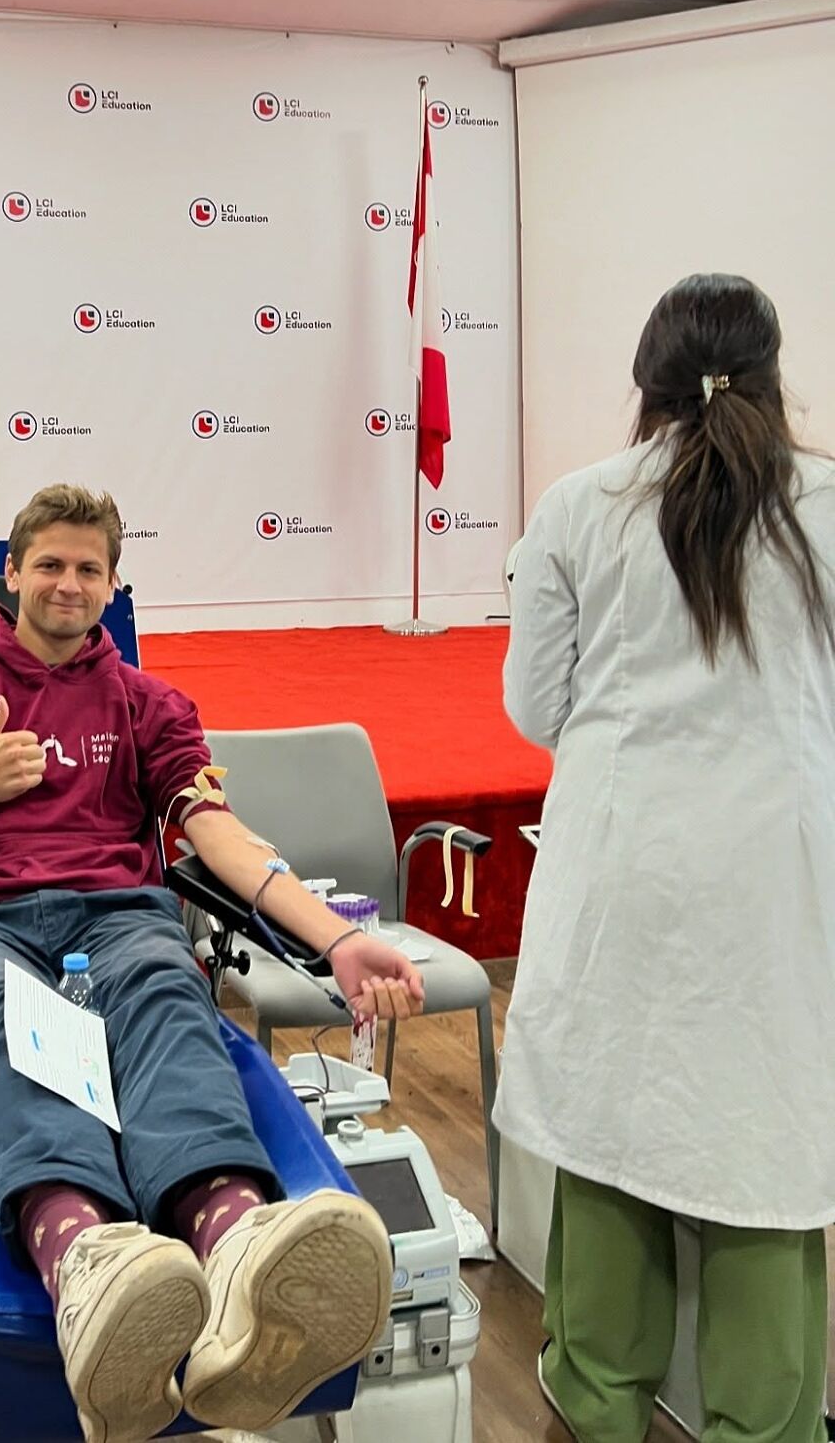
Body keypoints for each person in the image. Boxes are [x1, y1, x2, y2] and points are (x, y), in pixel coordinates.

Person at [0, 483, 426, 1443]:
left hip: (116, 916)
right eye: (51, 565)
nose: (68, 585)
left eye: (89, 570)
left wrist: (335, 936)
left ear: (113, 585)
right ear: (14, 573)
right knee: (18, 1016)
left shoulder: (147, 703)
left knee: (165, 990)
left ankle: (236, 1249)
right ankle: (90, 1259)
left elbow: (217, 833)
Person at [498, 275, 835, 1443]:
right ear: (771, 371)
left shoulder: (578, 505)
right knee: (766, 1152)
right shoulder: (826, 506)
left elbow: (535, 705)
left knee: (610, 1128)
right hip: (779, 883)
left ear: (644, 380)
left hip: (620, 871)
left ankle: (596, 1400)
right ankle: (768, 1418)